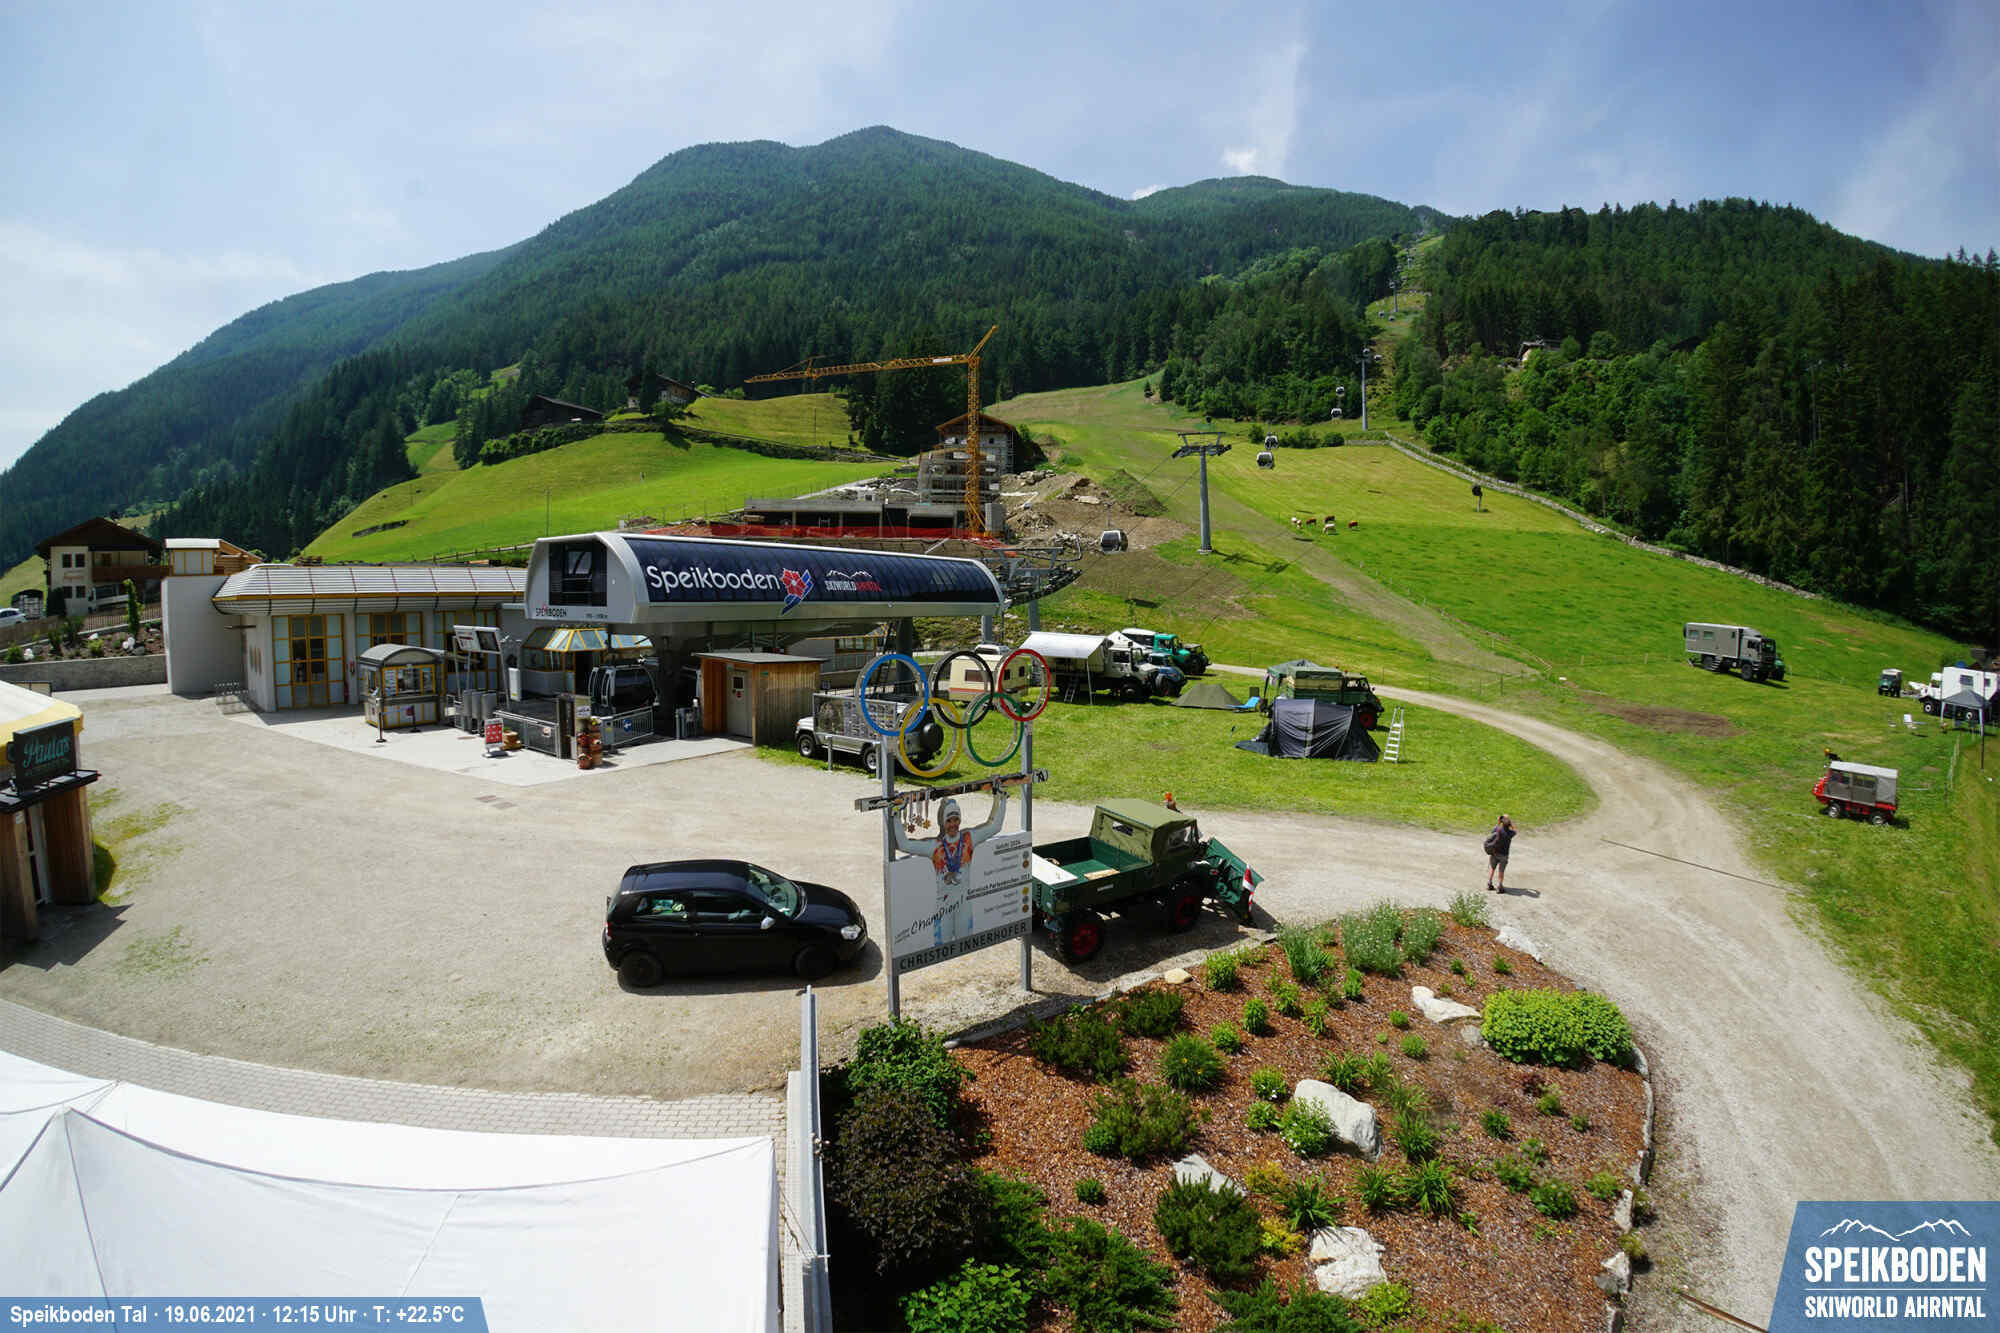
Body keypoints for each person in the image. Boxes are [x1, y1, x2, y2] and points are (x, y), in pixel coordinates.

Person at [894, 789, 1010, 946]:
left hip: (964, 904)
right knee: (941, 949)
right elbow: (904, 845)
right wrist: (895, 814)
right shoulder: (934, 846)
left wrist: (1002, 800)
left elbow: (995, 827)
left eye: (956, 819)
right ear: (943, 822)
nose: (953, 824)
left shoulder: (969, 838)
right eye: (949, 820)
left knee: (965, 946)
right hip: (943, 907)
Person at [1486, 814, 1517, 892]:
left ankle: (1489, 883)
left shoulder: (1497, 829)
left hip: (1495, 852)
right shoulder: (1510, 833)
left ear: (1501, 821)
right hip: (1504, 855)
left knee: (1492, 868)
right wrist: (1511, 824)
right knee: (1501, 871)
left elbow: (1493, 831)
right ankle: (1500, 886)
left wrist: (1498, 823)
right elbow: (1515, 831)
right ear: (1509, 823)